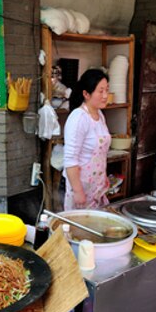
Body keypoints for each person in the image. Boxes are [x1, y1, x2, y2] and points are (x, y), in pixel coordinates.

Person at [62, 69, 111, 210]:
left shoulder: (100, 115)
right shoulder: (78, 118)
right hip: (81, 188)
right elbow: (70, 159)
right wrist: (78, 192)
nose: (105, 96)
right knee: (79, 229)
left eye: (106, 90)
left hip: (97, 187)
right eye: (100, 91)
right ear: (86, 94)